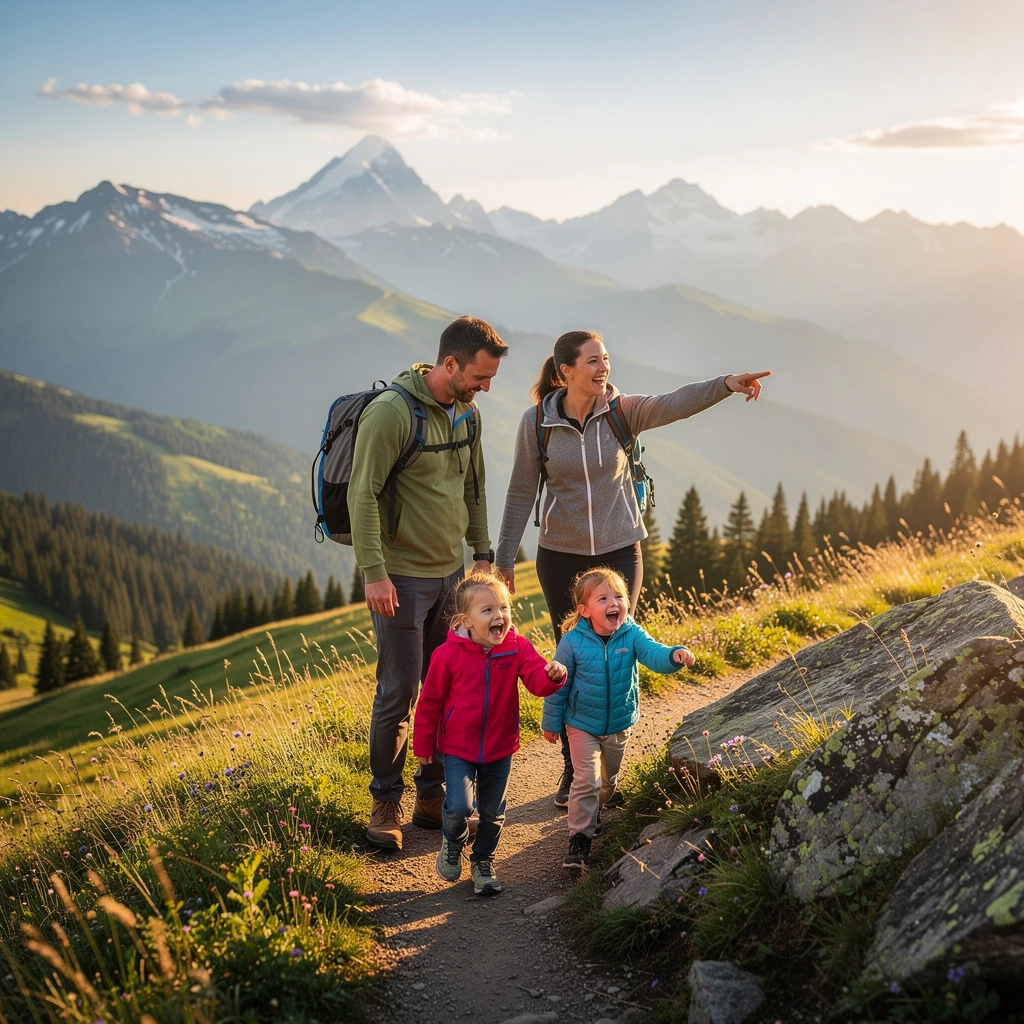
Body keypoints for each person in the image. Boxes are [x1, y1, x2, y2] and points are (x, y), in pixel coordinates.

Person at [495, 330, 769, 806]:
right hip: (560, 555)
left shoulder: (623, 410)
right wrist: (502, 562)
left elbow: (675, 402)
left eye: (606, 360)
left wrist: (726, 383)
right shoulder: (536, 423)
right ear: (565, 372)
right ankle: (575, 770)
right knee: (574, 658)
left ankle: (608, 763)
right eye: (593, 362)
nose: (604, 369)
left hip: (621, 549)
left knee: (615, 650)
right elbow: (521, 493)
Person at [349, 315, 508, 851]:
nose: (486, 387)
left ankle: (431, 794)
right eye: (479, 376)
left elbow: (475, 488)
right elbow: (362, 494)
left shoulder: (469, 412)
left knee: (451, 685)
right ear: (449, 364)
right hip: (399, 577)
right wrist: (374, 571)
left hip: (452, 577)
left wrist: (482, 555)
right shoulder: (393, 413)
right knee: (400, 689)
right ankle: (385, 801)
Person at [413, 573, 566, 894]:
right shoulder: (446, 655)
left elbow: (537, 681)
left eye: (504, 607)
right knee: (458, 807)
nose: (499, 616)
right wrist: (424, 742)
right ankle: (452, 842)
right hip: (457, 747)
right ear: (465, 620)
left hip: (500, 746)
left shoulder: (517, 647)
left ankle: (483, 861)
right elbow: (429, 703)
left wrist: (552, 676)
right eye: (487, 611)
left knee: (493, 812)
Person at [542, 568, 694, 869]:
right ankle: (579, 840)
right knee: (586, 779)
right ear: (585, 610)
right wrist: (551, 722)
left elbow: (654, 653)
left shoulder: (631, 633)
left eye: (619, 596)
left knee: (607, 783)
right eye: (603, 598)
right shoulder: (572, 642)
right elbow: (558, 684)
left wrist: (674, 656)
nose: (614, 603)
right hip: (581, 724)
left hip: (618, 723)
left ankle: (594, 812)